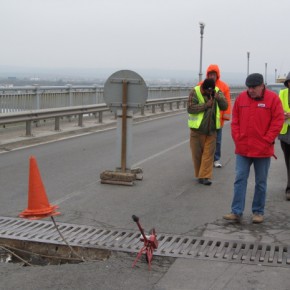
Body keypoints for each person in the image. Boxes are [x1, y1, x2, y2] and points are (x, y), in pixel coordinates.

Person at [223, 73, 284, 223]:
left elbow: (278, 121)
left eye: (254, 87)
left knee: (261, 182)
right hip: (243, 149)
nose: (250, 90)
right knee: (240, 179)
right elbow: (235, 121)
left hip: (262, 150)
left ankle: (258, 212)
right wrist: (237, 138)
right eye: (248, 87)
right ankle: (236, 211)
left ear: (262, 85)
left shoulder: (273, 99)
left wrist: (268, 139)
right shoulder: (241, 99)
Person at [188, 78, 228, 186]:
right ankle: (200, 175)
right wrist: (206, 105)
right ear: (203, 88)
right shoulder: (195, 91)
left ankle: (205, 176)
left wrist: (218, 97)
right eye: (207, 91)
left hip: (212, 130)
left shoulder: (217, 91)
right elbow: (190, 108)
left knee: (208, 155)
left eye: (211, 91)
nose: (209, 93)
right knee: (197, 155)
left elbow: (225, 106)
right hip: (197, 130)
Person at [200, 64, 232, 168]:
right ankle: (205, 159)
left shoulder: (223, 86)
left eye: (214, 74)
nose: (212, 76)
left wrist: (226, 116)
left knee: (217, 141)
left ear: (217, 75)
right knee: (204, 141)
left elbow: (227, 102)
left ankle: (216, 159)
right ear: (207, 75)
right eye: (210, 74)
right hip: (204, 120)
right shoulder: (201, 84)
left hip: (218, 120)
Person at [278, 72, 290, 200]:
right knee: (288, 161)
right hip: (285, 132)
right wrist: (282, 114)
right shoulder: (282, 93)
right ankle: (289, 188)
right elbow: (277, 108)